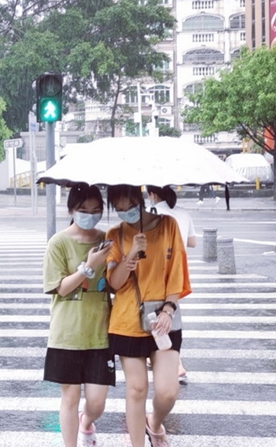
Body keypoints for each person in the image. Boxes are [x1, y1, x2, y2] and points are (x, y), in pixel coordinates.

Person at [105, 185, 191, 447]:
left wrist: (169, 309)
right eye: (119, 209)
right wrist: (131, 253)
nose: (125, 212)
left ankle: (154, 423)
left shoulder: (168, 226)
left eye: (130, 206)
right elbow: (114, 284)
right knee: (137, 389)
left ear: (140, 200)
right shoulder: (115, 234)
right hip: (127, 321)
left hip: (163, 320)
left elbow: (177, 272)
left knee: (167, 392)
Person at [42, 184, 114, 447]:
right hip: (67, 334)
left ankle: (87, 421)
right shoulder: (58, 242)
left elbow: (115, 283)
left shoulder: (107, 239)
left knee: (97, 402)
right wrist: (88, 266)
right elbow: (60, 288)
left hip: (100, 333)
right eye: (84, 209)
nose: (90, 215)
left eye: (96, 210)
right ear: (72, 209)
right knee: (70, 397)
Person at [146, 185, 196, 384]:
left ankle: (176, 364)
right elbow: (192, 242)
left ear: (153, 194)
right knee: (169, 313)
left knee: (158, 316)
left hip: (157, 270)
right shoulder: (183, 213)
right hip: (178, 270)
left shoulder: (151, 213)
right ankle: (168, 359)